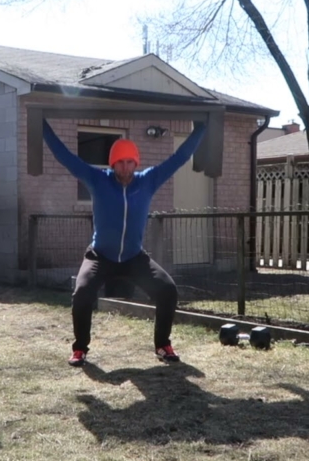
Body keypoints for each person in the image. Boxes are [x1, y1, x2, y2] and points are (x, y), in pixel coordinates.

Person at [42, 118, 207, 366]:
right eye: (120, 162)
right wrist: (42, 126)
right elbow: (65, 157)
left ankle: (163, 345)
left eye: (130, 162)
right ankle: (80, 349)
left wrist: (201, 129)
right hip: (100, 256)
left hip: (133, 258)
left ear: (136, 163)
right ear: (113, 163)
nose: (126, 167)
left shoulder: (147, 180)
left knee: (168, 290)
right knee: (82, 293)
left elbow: (179, 158)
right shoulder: (98, 179)